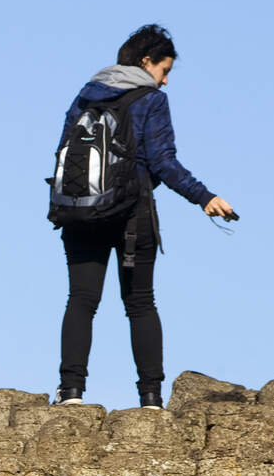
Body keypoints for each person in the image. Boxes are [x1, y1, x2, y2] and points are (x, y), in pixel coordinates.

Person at [52, 24, 236, 409]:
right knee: (140, 302)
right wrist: (204, 197)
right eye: (164, 70)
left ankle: (71, 392)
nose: (165, 81)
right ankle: (150, 398)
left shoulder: (86, 95)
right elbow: (163, 162)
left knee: (81, 299)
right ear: (145, 61)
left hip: (79, 211)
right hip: (131, 213)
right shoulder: (150, 100)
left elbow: (63, 153)